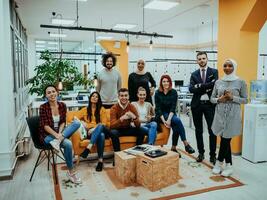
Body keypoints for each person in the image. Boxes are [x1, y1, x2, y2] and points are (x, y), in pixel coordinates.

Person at [211, 59, 247, 177]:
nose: (227, 68)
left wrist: (233, 98)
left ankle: (218, 163)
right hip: (220, 115)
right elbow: (212, 99)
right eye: (225, 65)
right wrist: (219, 100)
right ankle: (229, 166)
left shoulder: (241, 82)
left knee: (225, 140)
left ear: (234, 67)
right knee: (225, 140)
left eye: (230, 65)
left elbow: (245, 100)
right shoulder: (218, 82)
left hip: (233, 116)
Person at [39, 85, 81, 184]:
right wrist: (57, 135)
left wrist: (60, 135)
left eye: (53, 91)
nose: (52, 94)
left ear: (57, 92)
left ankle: (57, 142)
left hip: (59, 133)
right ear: (46, 95)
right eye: (49, 92)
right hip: (47, 135)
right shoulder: (43, 107)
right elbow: (45, 126)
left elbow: (62, 122)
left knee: (77, 123)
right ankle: (71, 172)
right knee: (68, 144)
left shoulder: (62, 105)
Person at [189, 51, 218, 164]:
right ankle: (201, 153)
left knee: (212, 131)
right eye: (199, 59)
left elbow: (215, 84)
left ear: (207, 59)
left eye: (203, 58)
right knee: (198, 131)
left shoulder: (214, 72)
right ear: (197, 61)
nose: (201, 60)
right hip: (197, 105)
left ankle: (212, 155)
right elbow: (191, 89)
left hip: (210, 105)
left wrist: (199, 86)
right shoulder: (194, 74)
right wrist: (206, 86)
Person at [155, 75, 195, 157]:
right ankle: (185, 144)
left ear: (170, 82)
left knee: (176, 124)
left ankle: (174, 148)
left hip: (171, 113)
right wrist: (164, 121)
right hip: (161, 115)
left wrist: (169, 119)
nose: (166, 83)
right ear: (161, 83)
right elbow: (158, 109)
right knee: (177, 121)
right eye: (164, 81)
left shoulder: (173, 92)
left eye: (167, 81)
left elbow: (173, 107)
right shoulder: (157, 92)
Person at [74, 91, 109, 171]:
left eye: (96, 97)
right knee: (101, 136)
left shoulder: (102, 109)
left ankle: (88, 148)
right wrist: (82, 122)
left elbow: (104, 124)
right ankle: (100, 161)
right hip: (91, 133)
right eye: (93, 96)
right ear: (90, 98)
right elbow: (75, 118)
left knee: (100, 127)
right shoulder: (84, 110)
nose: (94, 98)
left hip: (102, 129)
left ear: (98, 99)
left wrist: (94, 129)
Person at [109, 88, 146, 152]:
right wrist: (121, 118)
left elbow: (138, 125)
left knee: (142, 130)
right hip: (118, 130)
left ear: (128, 96)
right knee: (113, 132)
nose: (124, 98)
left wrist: (134, 117)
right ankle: (118, 154)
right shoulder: (114, 108)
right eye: (122, 96)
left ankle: (136, 152)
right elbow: (112, 126)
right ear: (118, 97)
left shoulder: (131, 107)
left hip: (128, 128)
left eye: (126, 95)